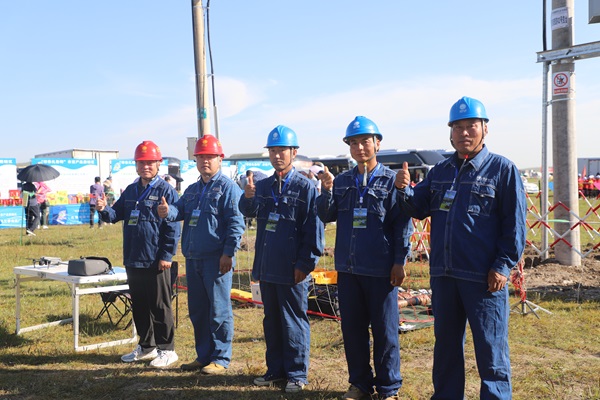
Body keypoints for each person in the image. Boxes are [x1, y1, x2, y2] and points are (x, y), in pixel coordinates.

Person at [394, 96, 527, 399]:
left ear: (485, 129)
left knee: (490, 348)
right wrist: (403, 189)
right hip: (444, 275)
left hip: (483, 277)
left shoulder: (502, 170)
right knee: (447, 346)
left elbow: (514, 225)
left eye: (471, 126)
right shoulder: (440, 171)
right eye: (458, 127)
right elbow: (418, 207)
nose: (465, 133)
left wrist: (502, 265)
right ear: (450, 132)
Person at [316, 116, 412, 400]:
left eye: (365, 142)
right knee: (353, 331)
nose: (360, 148)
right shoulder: (343, 181)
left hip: (380, 268)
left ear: (377, 143)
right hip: (348, 267)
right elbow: (326, 215)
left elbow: (401, 222)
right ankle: (359, 384)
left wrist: (399, 261)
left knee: (385, 332)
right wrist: (327, 191)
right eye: (354, 143)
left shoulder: (392, 179)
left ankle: (388, 388)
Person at [239, 125, 324, 394]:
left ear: (294, 152)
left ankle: (297, 374)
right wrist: (248, 198)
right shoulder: (262, 186)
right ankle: (275, 370)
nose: (277, 155)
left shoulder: (306, 187)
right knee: (272, 321)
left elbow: (314, 230)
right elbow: (249, 212)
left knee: (293, 321)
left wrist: (305, 264)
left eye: (282, 150)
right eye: (273, 151)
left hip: (292, 269)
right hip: (267, 267)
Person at [157, 135, 245, 375]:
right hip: (193, 258)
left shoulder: (229, 188)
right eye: (201, 157)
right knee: (198, 310)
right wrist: (168, 211)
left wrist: (228, 253)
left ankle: (221, 358)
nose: (205, 161)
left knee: (219, 310)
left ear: (220, 159)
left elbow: (236, 224)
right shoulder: (193, 189)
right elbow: (180, 210)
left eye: (210, 157)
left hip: (216, 260)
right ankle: (204, 355)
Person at [96, 140, 181, 368]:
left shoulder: (166, 191)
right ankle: (146, 346)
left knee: (160, 305)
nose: (146, 166)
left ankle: (167, 349)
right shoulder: (132, 190)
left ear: (158, 164)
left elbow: (173, 226)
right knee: (140, 305)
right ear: (136, 165)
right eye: (142, 162)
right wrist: (104, 210)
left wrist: (166, 255)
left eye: (150, 162)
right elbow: (116, 214)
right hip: (133, 258)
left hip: (156, 260)